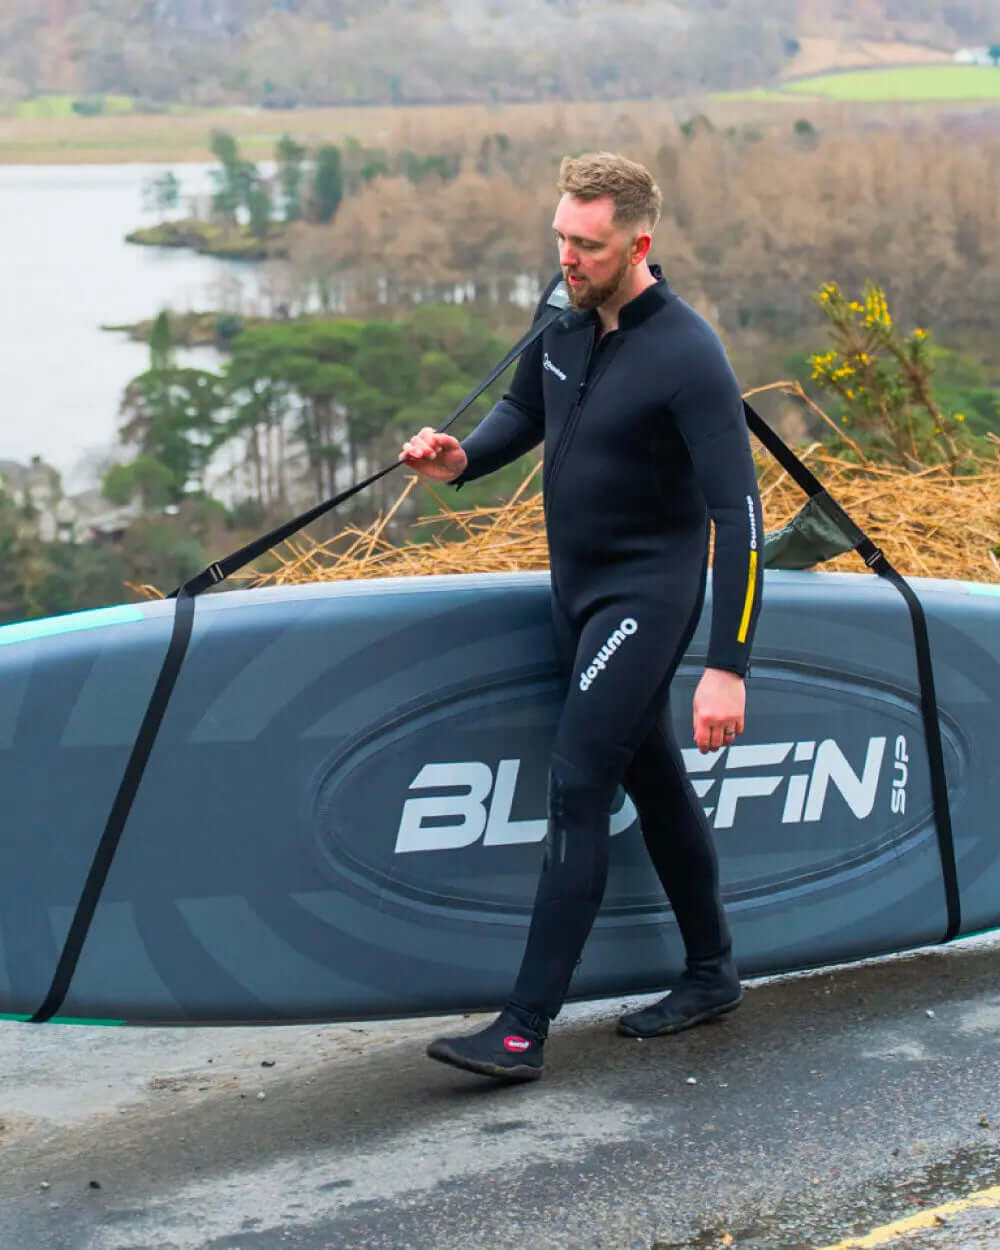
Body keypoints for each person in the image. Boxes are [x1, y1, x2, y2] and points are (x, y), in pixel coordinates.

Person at [399, 152, 763, 1082]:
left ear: (638, 245)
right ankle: (713, 972)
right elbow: (524, 411)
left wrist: (727, 666)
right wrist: (460, 461)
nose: (568, 257)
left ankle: (523, 1028)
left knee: (577, 783)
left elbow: (740, 517)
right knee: (656, 780)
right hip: (576, 593)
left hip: (645, 599)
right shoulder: (559, 315)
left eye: (588, 245)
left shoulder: (687, 353)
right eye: (561, 236)